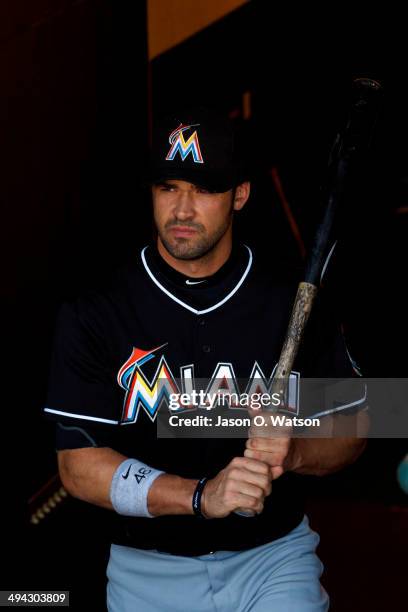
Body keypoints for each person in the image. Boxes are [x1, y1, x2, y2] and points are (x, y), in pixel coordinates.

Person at [44, 107, 368, 611]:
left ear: (239, 194)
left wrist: (296, 450)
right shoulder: (97, 310)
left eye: (204, 189)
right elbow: (77, 467)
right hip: (145, 569)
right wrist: (200, 496)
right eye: (169, 187)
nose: (182, 209)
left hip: (273, 559)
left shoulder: (289, 299)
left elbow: (355, 426)